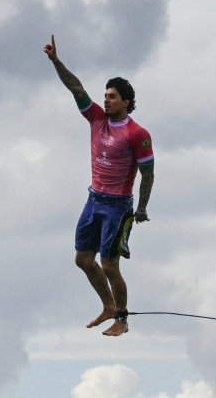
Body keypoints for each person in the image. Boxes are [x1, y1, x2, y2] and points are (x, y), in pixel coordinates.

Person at [43, 34, 154, 337]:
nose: (106, 100)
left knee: (109, 265)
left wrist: (141, 208)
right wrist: (55, 61)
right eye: (105, 95)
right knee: (82, 259)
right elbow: (75, 87)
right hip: (94, 200)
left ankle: (122, 318)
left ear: (126, 102)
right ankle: (107, 305)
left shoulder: (137, 134)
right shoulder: (96, 119)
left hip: (118, 207)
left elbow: (148, 174)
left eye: (112, 97)